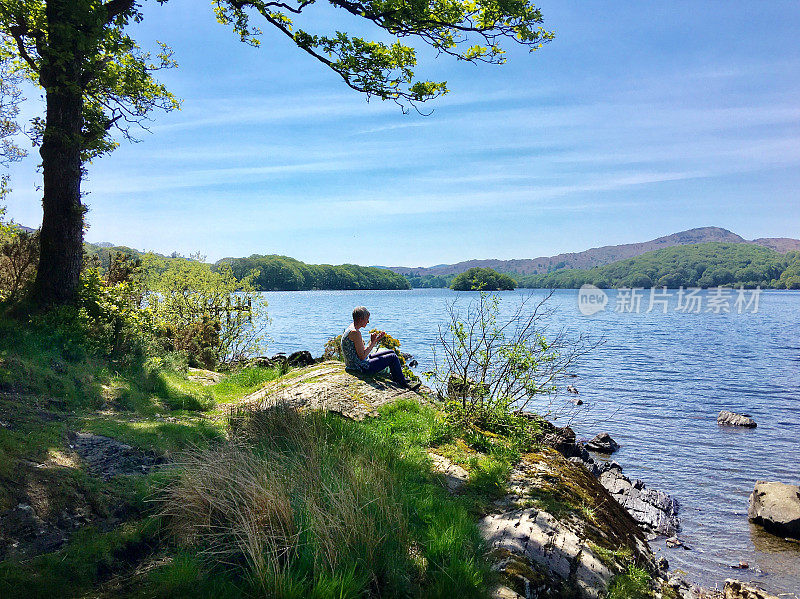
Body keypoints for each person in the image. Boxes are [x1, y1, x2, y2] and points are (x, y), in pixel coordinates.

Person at [341, 306, 419, 389]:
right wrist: (372, 342)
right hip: (359, 367)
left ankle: (398, 378)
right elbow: (362, 356)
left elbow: (360, 354)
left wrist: (375, 340)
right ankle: (403, 383)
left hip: (356, 363)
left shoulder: (351, 328)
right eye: (367, 319)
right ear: (360, 319)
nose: (368, 322)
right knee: (392, 357)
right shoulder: (355, 333)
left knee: (391, 352)